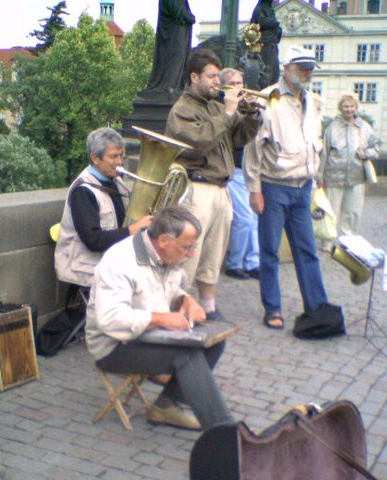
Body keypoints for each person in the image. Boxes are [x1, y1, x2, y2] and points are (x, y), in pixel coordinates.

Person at [86, 206, 234, 430]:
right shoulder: (119, 261)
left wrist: (185, 301)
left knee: (214, 342)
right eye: (188, 247)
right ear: (164, 240)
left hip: (149, 336)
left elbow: (172, 291)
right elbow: (111, 319)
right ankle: (225, 432)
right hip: (114, 346)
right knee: (186, 356)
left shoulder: (167, 254)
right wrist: (164, 319)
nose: (192, 253)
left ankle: (167, 405)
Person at [165, 48, 261, 320]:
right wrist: (229, 111)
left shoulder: (215, 106)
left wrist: (252, 115)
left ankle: (208, 305)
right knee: (188, 255)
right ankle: (179, 306)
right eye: (212, 76)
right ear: (195, 77)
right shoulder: (182, 110)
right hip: (196, 189)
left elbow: (238, 138)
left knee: (214, 254)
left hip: (221, 189)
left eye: (218, 76)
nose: (218, 82)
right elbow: (199, 142)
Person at [243, 46, 333, 330]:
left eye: (310, 68)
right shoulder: (269, 99)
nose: (308, 72)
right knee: (269, 251)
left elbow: (314, 142)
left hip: (303, 185)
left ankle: (317, 307)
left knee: (307, 250)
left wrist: (317, 174)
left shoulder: (313, 101)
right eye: (302, 67)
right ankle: (272, 308)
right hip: (273, 185)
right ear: (287, 68)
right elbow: (253, 149)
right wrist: (254, 188)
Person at [55, 127, 152, 289]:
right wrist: (133, 229)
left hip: (109, 261)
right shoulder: (83, 191)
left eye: (121, 156)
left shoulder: (115, 181)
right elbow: (94, 240)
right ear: (95, 158)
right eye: (113, 156)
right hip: (85, 268)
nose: (120, 162)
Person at [320, 93, 379, 249]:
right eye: (346, 106)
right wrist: (319, 176)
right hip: (334, 175)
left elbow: (376, 149)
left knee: (353, 212)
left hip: (357, 175)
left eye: (352, 106)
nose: (349, 109)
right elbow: (324, 153)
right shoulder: (332, 128)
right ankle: (328, 240)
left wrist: (366, 154)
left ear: (356, 108)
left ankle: (348, 241)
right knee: (331, 211)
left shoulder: (365, 128)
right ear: (340, 108)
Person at [218, 68, 260, 281]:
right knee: (243, 219)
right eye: (233, 83)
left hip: (249, 169)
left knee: (254, 219)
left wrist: (253, 111)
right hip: (233, 168)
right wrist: (234, 107)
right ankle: (235, 263)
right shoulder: (222, 107)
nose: (238, 87)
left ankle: (252, 262)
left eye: (240, 82)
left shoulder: (246, 106)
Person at [143, 0, 196, 99]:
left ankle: (176, 85)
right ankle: (170, 85)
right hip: (174, 35)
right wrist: (190, 17)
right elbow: (179, 11)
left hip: (178, 32)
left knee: (181, 56)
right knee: (177, 56)